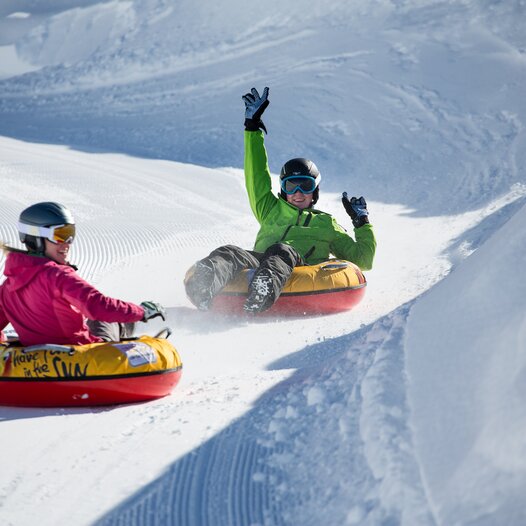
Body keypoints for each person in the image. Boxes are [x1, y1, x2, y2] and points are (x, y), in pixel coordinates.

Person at [184, 86, 376, 314]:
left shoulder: (326, 224)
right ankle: (204, 291)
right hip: (261, 263)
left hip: (299, 267)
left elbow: (363, 260)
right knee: (229, 251)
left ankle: (261, 294)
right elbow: (256, 176)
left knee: (282, 249)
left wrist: (361, 222)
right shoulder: (270, 209)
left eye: (305, 185)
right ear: (283, 190)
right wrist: (252, 128)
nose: (297, 192)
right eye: (290, 186)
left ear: (315, 191)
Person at [0, 202, 166, 346]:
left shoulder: (8, 286)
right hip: (80, 359)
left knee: (92, 317)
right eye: (60, 235)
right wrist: (141, 312)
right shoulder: (58, 275)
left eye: (70, 234)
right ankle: (133, 351)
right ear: (36, 237)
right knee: (104, 318)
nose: (67, 243)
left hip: (35, 365)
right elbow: (97, 306)